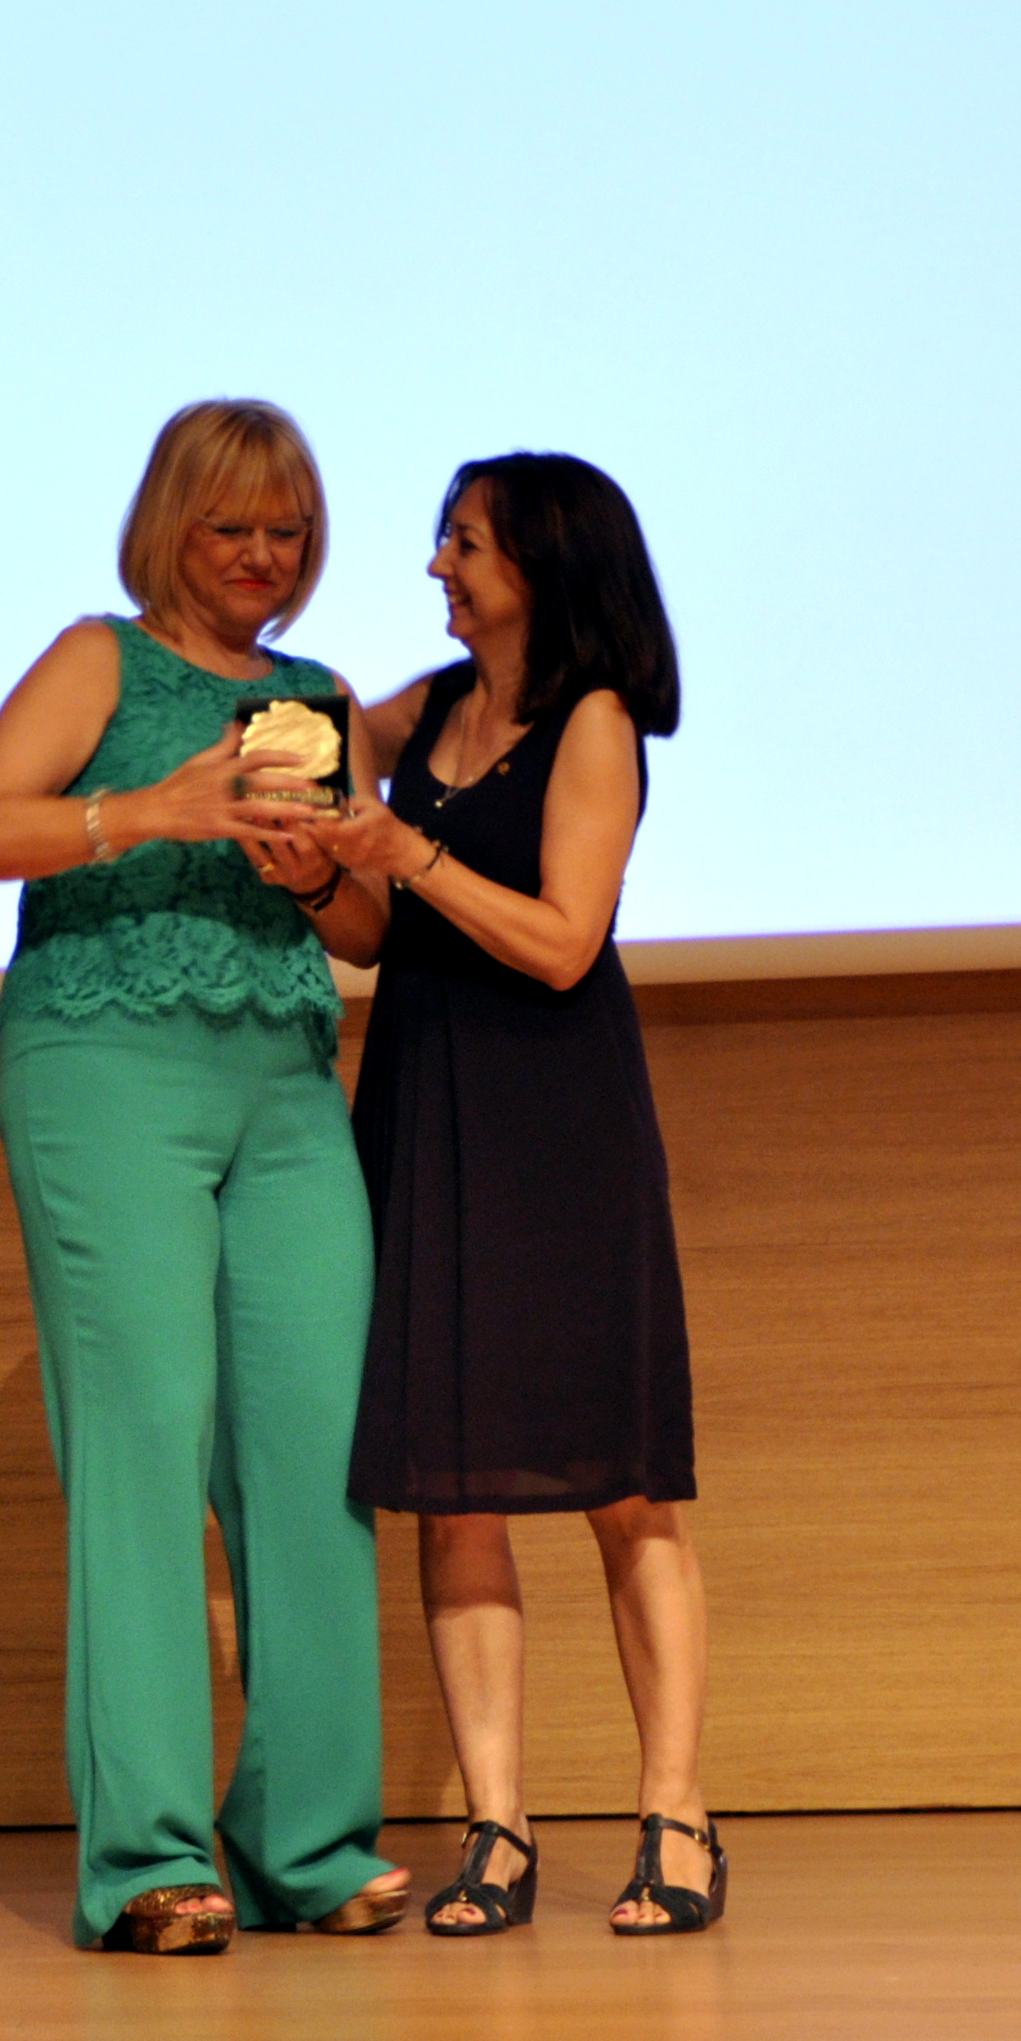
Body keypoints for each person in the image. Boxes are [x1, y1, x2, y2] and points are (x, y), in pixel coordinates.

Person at [0, 399, 411, 1952]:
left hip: (284, 1079)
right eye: (233, 529)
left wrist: (319, 872)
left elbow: (363, 938)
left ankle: (311, 1842)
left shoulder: (317, 697)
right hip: (105, 1067)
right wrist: (158, 809)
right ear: (170, 527)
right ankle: (149, 1858)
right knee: (143, 1445)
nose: (263, 557)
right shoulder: (101, 660)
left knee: (316, 1451)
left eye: (288, 531)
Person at [299, 452, 719, 1939]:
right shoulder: (429, 707)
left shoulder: (592, 721)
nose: (437, 566)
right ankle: (498, 1827)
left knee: (623, 1484)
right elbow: (350, 826)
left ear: (539, 561)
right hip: (424, 1097)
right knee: (455, 1485)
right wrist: (320, 858)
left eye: (463, 542)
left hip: (557, 1120)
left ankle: (675, 1816)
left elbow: (560, 940)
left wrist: (407, 851)